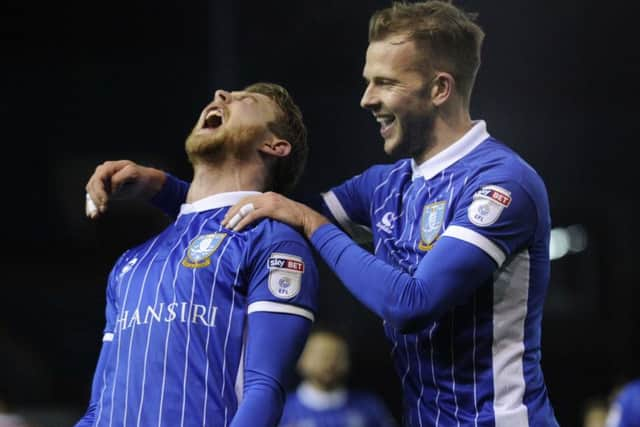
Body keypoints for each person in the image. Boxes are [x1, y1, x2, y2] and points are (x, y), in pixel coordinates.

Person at [85, 1, 560, 425]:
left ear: (440, 88)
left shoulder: (501, 183)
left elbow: (412, 304)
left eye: (385, 83)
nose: (366, 98)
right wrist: (163, 189)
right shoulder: (386, 184)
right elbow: (261, 215)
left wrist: (310, 222)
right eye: (367, 81)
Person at [78, 83, 320, 427]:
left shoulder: (273, 242)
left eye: (245, 100)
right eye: (224, 95)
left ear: (275, 145)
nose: (221, 94)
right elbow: (98, 409)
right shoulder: (132, 262)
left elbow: (264, 391)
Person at [279, 328, 396, 427]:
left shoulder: (370, 406)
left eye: (337, 356)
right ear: (301, 359)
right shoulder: (281, 410)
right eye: (322, 356)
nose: (330, 363)